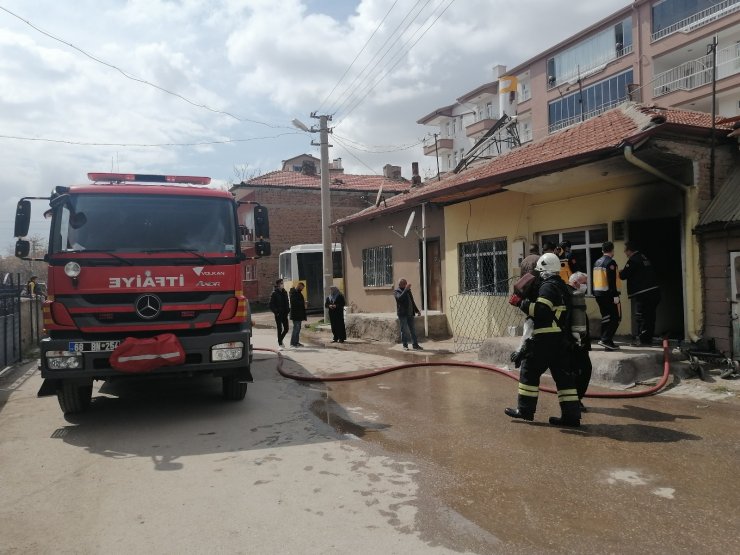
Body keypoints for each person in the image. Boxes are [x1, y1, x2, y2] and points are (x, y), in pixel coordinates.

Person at [505, 253, 581, 427]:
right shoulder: (562, 287)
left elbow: (541, 311)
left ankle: (524, 410)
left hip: (546, 338)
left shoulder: (547, 288)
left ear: (544, 270)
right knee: (564, 379)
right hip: (561, 340)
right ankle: (571, 416)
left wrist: (520, 303)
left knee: (529, 371)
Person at [620, 242, 661, 346]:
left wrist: (619, 272)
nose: (625, 253)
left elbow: (624, 275)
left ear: (630, 250)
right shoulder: (643, 257)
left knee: (642, 316)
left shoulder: (633, 260)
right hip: (654, 291)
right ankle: (648, 339)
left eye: (625, 250)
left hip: (644, 294)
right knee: (650, 316)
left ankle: (642, 340)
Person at [568, 271, 592, 410]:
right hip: (575, 343)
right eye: (584, 283)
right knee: (581, 371)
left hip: (580, 341)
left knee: (581, 370)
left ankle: (576, 400)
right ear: (576, 282)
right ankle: (574, 401)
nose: (585, 286)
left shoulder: (576, 295)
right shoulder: (570, 295)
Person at [593, 241, 621, 351]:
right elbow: (611, 280)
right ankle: (605, 339)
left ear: (602, 250)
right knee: (616, 317)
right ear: (612, 250)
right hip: (609, 295)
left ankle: (607, 341)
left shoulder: (597, 262)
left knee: (606, 317)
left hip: (598, 294)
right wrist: (615, 295)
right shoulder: (611, 262)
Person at [393, 278, 422, 351]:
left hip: (410, 313)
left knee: (413, 330)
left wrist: (417, 310)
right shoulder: (396, 291)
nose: (406, 285)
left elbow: (412, 301)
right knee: (404, 330)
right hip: (403, 314)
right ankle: (405, 346)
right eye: (404, 283)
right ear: (400, 284)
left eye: (406, 283)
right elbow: (399, 299)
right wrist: (406, 290)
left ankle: (415, 345)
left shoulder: (408, 291)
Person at [268, 278, 290, 348]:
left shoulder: (285, 292)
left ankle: (280, 339)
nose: (282, 284)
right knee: (279, 328)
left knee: (286, 329)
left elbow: (287, 302)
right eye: (281, 283)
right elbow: (271, 305)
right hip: (278, 314)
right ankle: (280, 344)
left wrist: (288, 309)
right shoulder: (274, 293)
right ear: (278, 285)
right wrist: (276, 312)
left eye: (282, 283)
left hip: (285, 313)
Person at [289, 282, 307, 347]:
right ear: (299, 286)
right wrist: (303, 302)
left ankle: (296, 342)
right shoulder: (293, 293)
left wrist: (303, 302)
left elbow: (299, 301)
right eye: (302, 287)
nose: (302, 289)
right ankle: (293, 343)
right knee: (296, 328)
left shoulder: (298, 293)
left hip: (299, 314)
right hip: (295, 314)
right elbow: (294, 302)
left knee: (298, 329)